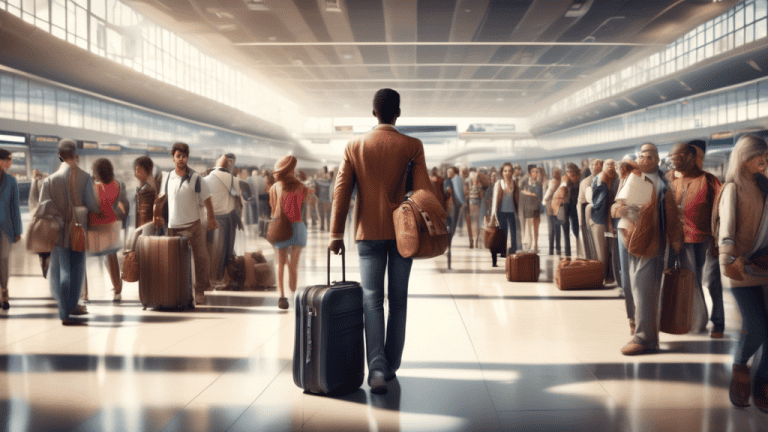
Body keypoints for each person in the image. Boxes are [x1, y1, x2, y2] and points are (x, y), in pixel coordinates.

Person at [328, 88, 433, 395]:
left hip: (367, 233)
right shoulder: (413, 145)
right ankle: (391, 363)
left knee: (372, 299)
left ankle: (375, 366)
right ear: (397, 113)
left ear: (373, 113)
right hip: (405, 234)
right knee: (398, 300)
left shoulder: (354, 145)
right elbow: (424, 192)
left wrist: (336, 233)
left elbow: (341, 192)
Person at [611, 143, 682, 355]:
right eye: (643, 155)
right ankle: (637, 327)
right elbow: (615, 208)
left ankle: (645, 338)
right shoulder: (630, 179)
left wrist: (677, 244)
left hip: (651, 245)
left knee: (645, 290)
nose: (646, 159)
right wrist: (624, 209)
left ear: (658, 160)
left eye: (651, 156)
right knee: (631, 287)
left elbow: (672, 218)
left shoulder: (662, 185)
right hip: (627, 241)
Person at [715, 134, 768, 411]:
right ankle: (740, 368)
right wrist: (728, 260)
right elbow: (727, 230)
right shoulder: (733, 189)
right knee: (757, 328)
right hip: (741, 267)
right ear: (746, 157)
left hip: (765, 265)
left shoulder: (764, 186)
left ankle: (763, 382)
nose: (765, 161)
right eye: (761, 156)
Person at [38, 139, 100, 324]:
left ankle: (63, 310)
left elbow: (42, 208)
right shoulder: (85, 177)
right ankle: (72, 303)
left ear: (59, 156)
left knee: (61, 269)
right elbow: (93, 206)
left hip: (58, 232)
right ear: (75, 156)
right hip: (79, 231)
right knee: (77, 269)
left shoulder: (50, 180)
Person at [668, 142, 723, 337]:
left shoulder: (709, 180)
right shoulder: (669, 180)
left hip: (707, 238)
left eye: (678, 156)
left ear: (692, 157)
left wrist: (720, 241)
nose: (674, 160)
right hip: (680, 240)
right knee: (691, 279)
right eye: (672, 157)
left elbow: (720, 211)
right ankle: (696, 320)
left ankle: (717, 321)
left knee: (711, 280)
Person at [154, 142, 218, 305]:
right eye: (177, 156)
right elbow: (162, 199)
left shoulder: (196, 178)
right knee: (174, 261)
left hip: (194, 225)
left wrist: (211, 218)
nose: (181, 159)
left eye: (183, 156)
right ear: (173, 158)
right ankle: (179, 291)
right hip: (173, 226)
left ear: (187, 157)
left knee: (200, 258)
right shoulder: (167, 177)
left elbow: (207, 198)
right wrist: (157, 214)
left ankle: (200, 291)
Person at [270, 155, 308, 310]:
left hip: (281, 228)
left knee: (281, 264)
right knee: (294, 265)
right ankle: (293, 295)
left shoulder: (275, 187)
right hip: (298, 227)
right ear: (293, 170)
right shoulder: (302, 187)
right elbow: (301, 208)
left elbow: (273, 210)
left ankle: (282, 297)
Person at [87, 158, 125, 302]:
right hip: (111, 223)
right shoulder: (116, 184)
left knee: (86, 259)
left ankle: (85, 293)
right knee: (111, 258)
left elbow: (93, 205)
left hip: (95, 225)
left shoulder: (93, 187)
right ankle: (117, 289)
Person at [205, 153, 243, 284]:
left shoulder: (204, 180)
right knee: (225, 250)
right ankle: (221, 278)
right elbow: (237, 196)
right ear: (229, 165)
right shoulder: (234, 180)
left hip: (208, 219)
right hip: (227, 220)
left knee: (210, 249)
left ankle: (209, 278)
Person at [0, 149, 21, 310]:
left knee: (4, 260)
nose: (9, 163)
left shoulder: (12, 181)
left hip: (6, 228)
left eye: (10, 160)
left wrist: (17, 230)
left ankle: (4, 292)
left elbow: (15, 208)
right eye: (5, 160)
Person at [591, 159, 619, 279]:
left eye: (613, 165)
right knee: (602, 251)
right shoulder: (600, 180)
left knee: (612, 250)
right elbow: (599, 204)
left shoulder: (616, 179)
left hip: (611, 219)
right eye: (608, 164)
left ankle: (610, 275)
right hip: (600, 219)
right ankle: (603, 277)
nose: (611, 167)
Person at [491, 162, 519, 264]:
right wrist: (493, 215)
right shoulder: (499, 183)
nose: (507, 173)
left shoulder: (514, 183)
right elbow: (495, 200)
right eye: (505, 171)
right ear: (502, 172)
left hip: (512, 212)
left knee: (513, 233)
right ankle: (503, 252)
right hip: (501, 212)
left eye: (509, 171)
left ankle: (513, 251)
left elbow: (517, 197)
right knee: (503, 233)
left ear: (512, 172)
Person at [578, 159, 602, 259]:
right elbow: (580, 201)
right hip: (588, 217)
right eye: (591, 165)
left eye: (596, 164)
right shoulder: (585, 182)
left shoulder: (608, 179)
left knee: (602, 249)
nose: (593, 167)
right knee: (590, 245)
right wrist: (581, 222)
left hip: (602, 218)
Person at [520, 165, 543, 252]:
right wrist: (529, 194)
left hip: (536, 209)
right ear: (529, 173)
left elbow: (539, 196)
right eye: (534, 171)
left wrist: (528, 193)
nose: (536, 173)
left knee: (536, 229)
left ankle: (536, 245)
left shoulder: (539, 183)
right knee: (529, 229)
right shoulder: (525, 183)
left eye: (537, 172)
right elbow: (521, 191)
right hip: (528, 209)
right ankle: (529, 246)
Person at [542, 167, 563, 256]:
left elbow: (547, 194)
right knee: (557, 229)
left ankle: (551, 250)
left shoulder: (551, 182)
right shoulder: (562, 183)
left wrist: (544, 200)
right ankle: (558, 249)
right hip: (558, 208)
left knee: (551, 230)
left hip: (550, 208)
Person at [562, 163, 581, 257]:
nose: (569, 177)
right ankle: (567, 254)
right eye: (567, 174)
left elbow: (576, 192)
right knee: (566, 231)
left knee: (576, 229)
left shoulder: (579, 182)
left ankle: (579, 251)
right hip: (565, 207)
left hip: (574, 207)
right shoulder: (564, 182)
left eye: (572, 175)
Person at [134, 156, 156, 228]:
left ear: (148, 171)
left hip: (143, 230)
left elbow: (144, 215)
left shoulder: (147, 191)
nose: (136, 173)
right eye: (136, 170)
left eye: (139, 170)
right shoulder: (141, 189)